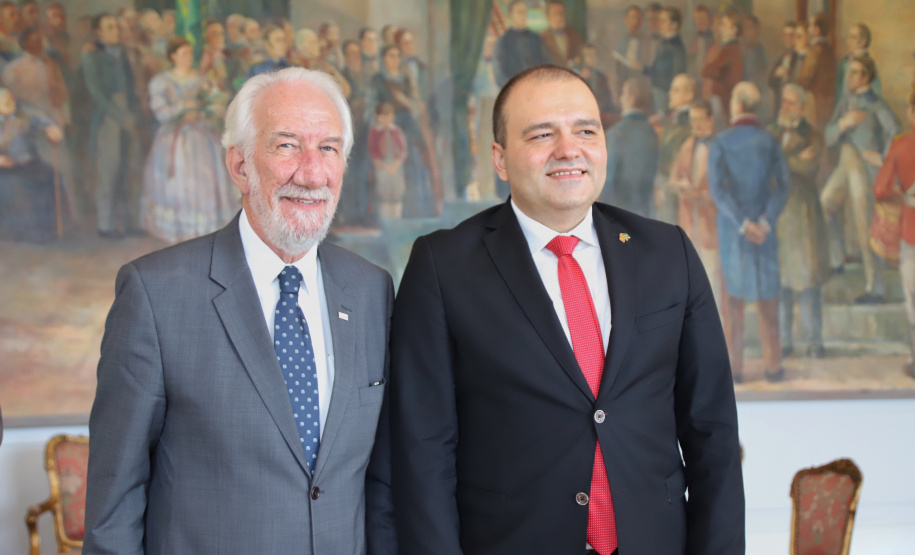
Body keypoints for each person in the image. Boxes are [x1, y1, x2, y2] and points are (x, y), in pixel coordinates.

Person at [390, 64, 744, 554]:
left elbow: (713, 433)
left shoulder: (669, 253)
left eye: (585, 130)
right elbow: (422, 451)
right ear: (500, 157)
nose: (568, 149)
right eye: (541, 134)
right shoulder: (442, 265)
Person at [83, 67, 397, 554]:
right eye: (287, 145)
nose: (313, 173)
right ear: (239, 166)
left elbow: (382, 483)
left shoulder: (372, 290)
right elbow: (114, 505)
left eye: (329, 148)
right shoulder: (155, 294)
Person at [708, 81, 791, 383]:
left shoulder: (721, 142)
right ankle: (774, 366)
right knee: (769, 299)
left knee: (732, 303)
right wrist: (765, 222)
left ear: (738, 106)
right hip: (765, 232)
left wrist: (743, 224)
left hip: (734, 232)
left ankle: (735, 369)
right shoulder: (770, 141)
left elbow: (718, 191)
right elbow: (783, 187)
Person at [139, 37, 236, 243]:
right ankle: (181, 231)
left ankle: (204, 231)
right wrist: (184, 107)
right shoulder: (162, 82)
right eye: (183, 54)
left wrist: (209, 109)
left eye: (190, 53)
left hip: (202, 135)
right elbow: (161, 112)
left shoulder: (203, 79)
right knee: (180, 181)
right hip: (175, 139)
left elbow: (215, 106)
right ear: (172, 56)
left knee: (206, 178)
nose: (188, 58)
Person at [820, 54, 898, 304]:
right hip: (845, 162)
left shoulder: (875, 103)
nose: (849, 77)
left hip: (864, 168)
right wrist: (843, 123)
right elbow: (829, 135)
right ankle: (836, 257)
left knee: (864, 222)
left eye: (854, 73)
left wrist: (882, 157)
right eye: (849, 72)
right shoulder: (845, 102)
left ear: (866, 77)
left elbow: (895, 130)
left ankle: (875, 286)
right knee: (824, 203)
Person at [768, 84, 830, 359]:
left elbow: (808, 168)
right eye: (784, 102)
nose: (786, 107)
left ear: (802, 107)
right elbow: (764, 169)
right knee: (780, 284)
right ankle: (784, 342)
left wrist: (779, 161)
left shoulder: (813, 134)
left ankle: (814, 341)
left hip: (803, 217)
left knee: (807, 283)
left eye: (792, 103)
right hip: (778, 216)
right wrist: (790, 160)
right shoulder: (770, 133)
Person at [82, 13, 142, 238]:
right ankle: (105, 224)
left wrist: (133, 114)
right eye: (110, 28)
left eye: (117, 27)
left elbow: (131, 86)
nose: (115, 32)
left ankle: (130, 222)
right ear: (99, 33)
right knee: (109, 170)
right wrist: (120, 115)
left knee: (131, 169)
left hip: (128, 114)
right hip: (108, 117)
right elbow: (96, 92)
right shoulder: (92, 56)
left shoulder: (123, 54)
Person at [670, 99, 727, 326]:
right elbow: (675, 178)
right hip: (689, 221)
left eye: (701, 119)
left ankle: (718, 330)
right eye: (693, 120)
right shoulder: (686, 145)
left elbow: (727, 187)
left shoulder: (721, 147)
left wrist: (705, 196)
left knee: (712, 277)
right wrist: (681, 186)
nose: (697, 125)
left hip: (712, 222)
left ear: (711, 120)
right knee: (691, 280)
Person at [873, 89, 915, 379]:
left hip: (912, 230)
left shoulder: (901, 145)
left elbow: (880, 189)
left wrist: (901, 190)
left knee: (913, 298)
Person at [0, 86, 64, 242]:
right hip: (4, 168)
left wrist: (54, 130)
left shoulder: (27, 115)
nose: (10, 103)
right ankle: (19, 232)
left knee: (50, 176)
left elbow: (46, 122)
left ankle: (46, 229)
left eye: (10, 99)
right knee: (10, 188)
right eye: (4, 102)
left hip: (29, 162)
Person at [601, 76, 658, 217]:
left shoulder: (617, 133)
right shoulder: (651, 132)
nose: (620, 98)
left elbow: (609, 178)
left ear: (632, 97)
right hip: (645, 212)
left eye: (623, 93)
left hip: (619, 211)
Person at [655, 73, 696, 224]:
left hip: (677, 192)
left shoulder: (692, 122)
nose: (670, 93)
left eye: (676, 90)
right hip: (665, 188)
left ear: (689, 95)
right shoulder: (672, 119)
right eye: (672, 89)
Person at [634, 7, 686, 115]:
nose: (659, 24)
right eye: (659, 21)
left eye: (663, 21)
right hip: (658, 92)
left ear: (674, 25)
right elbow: (658, 69)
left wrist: (673, 93)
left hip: (666, 93)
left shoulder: (675, 46)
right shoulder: (664, 42)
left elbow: (678, 74)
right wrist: (643, 68)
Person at [494, 0, 548, 86]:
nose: (524, 15)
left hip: (537, 88)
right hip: (514, 91)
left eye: (525, 12)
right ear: (510, 15)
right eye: (520, 12)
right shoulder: (503, 42)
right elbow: (499, 74)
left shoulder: (536, 38)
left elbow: (547, 64)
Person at [797, 14, 836, 130]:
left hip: (814, 101)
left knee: (813, 131)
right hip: (828, 101)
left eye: (810, 26)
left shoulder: (814, 50)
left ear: (817, 30)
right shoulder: (830, 50)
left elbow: (805, 78)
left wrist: (797, 84)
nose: (809, 29)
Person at [702, 12, 743, 121]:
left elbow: (706, 70)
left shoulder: (728, 49)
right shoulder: (727, 47)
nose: (721, 28)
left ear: (734, 30)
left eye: (724, 25)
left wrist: (717, 73)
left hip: (723, 95)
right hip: (724, 95)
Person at [368, 101, 407, 218]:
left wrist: (396, 165)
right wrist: (384, 167)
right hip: (382, 167)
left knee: (396, 193)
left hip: (396, 167)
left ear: (393, 117)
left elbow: (403, 150)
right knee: (384, 195)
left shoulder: (396, 131)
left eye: (388, 116)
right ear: (378, 117)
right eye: (382, 117)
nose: (385, 120)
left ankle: (396, 221)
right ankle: (386, 222)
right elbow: (373, 152)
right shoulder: (374, 132)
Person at [836, 23, 880, 101]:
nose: (848, 41)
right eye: (849, 37)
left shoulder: (869, 65)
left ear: (863, 42)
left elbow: (875, 95)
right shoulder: (844, 62)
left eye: (853, 37)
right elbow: (839, 92)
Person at [541, 1, 582, 66]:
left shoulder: (574, 36)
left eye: (561, 13)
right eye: (555, 14)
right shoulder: (542, 38)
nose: (559, 17)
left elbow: (580, 59)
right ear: (548, 18)